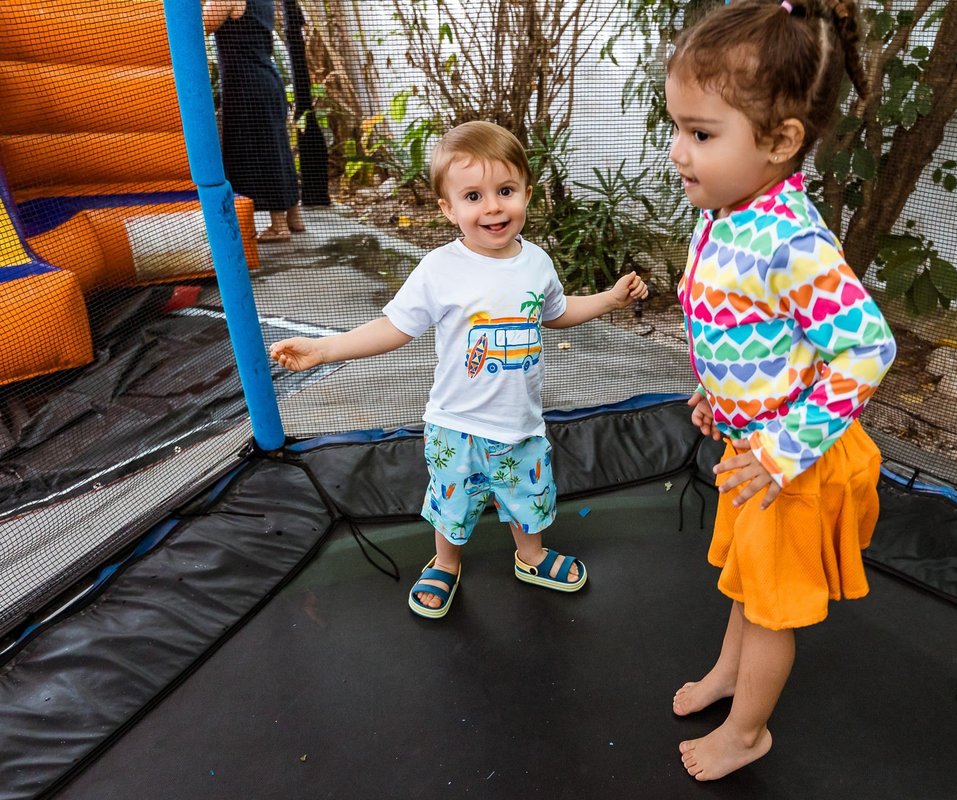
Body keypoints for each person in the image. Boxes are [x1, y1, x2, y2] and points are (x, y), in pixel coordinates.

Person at [269, 121, 649, 618]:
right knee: (452, 504)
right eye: (473, 195)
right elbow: (395, 327)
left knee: (529, 496)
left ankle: (530, 556)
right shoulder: (439, 270)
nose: (492, 207)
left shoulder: (536, 262)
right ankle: (446, 563)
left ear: (526, 195)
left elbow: (556, 314)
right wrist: (325, 350)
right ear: (449, 208)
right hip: (456, 425)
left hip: (520, 425)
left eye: (505, 191)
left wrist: (610, 299)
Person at [664, 0, 897, 781]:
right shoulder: (728, 210)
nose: (678, 152)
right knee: (745, 581)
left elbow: (866, 349)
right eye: (678, 128)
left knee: (770, 609)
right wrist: (718, 398)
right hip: (749, 443)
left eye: (701, 134)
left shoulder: (790, 240)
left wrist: (779, 449)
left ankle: (748, 733)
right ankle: (731, 680)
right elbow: (750, 332)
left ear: (781, 142)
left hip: (787, 462)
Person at [203, 0, 304, 242]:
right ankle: (293, 216)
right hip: (266, 79)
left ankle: (279, 227)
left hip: (247, 85)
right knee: (277, 148)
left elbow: (201, 25)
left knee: (261, 150)